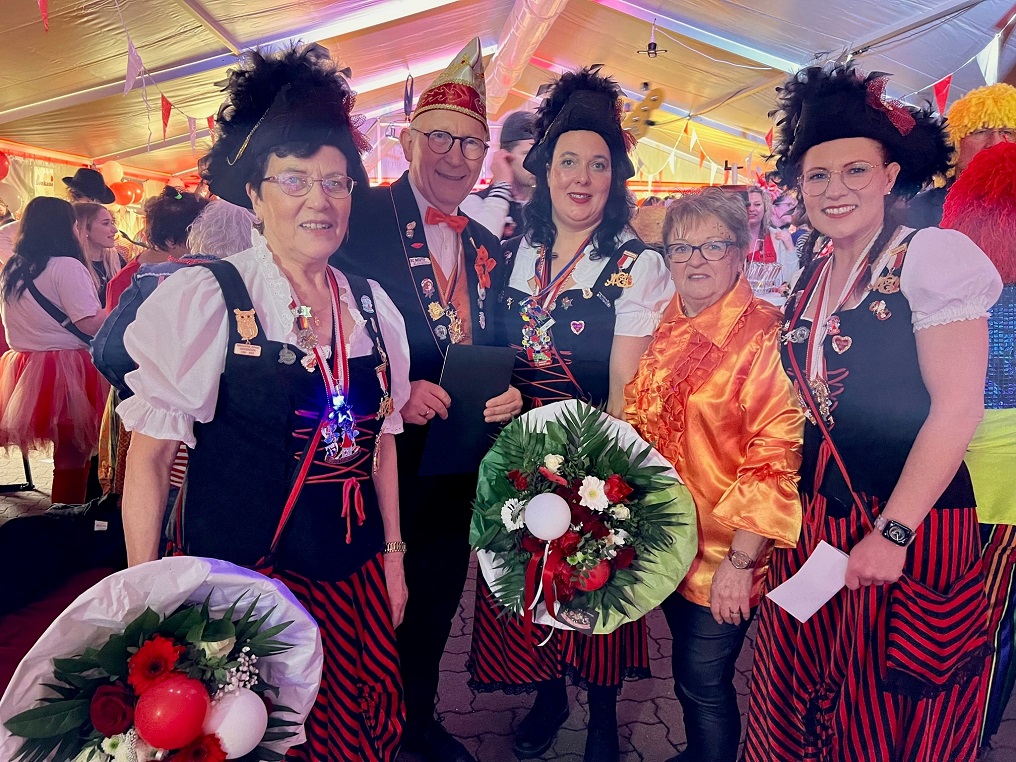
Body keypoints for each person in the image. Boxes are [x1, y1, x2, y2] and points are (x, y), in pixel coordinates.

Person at [118, 44, 410, 761]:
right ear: (254, 195)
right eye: (295, 180)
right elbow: (149, 463)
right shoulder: (208, 299)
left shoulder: (373, 307)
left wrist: (394, 557)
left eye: (336, 182)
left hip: (353, 586)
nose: (320, 201)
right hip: (244, 593)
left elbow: (381, 443)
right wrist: (146, 599)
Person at [743, 63, 1003, 762]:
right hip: (820, 524)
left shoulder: (930, 257)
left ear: (890, 176)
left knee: (884, 714)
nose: (836, 189)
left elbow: (957, 410)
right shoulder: (811, 272)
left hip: (912, 526)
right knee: (799, 693)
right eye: (818, 175)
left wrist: (892, 532)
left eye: (855, 170)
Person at [466, 67, 673, 762]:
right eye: (568, 162)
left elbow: (625, 389)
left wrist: (600, 478)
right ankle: (550, 695)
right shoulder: (512, 252)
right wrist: (499, 398)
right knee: (530, 585)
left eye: (598, 164)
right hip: (517, 452)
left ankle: (604, 719)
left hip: (595, 457)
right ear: (545, 170)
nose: (582, 177)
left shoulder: (636, 265)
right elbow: (496, 353)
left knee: (594, 585)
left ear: (615, 178)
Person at [332, 38, 521, 762]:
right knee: (371, 595)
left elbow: (500, 340)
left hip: (455, 457)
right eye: (439, 137)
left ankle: (416, 719)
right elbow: (322, 319)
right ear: (408, 141)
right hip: (372, 455)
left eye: (471, 144)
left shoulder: (486, 244)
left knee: (438, 592)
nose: (454, 156)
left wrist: (509, 392)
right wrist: (392, 390)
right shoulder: (358, 216)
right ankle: (362, 726)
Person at [624, 188, 803, 762]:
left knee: (704, 684)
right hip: (667, 542)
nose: (695, 260)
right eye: (681, 248)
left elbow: (775, 456)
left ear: (741, 251)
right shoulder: (666, 320)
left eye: (713, 246)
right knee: (687, 675)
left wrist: (740, 564)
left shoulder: (765, 334)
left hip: (725, 553)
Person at [939, 141, 1016, 753]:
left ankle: (961, 726)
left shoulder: (950, 286)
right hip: (984, 472)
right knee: (996, 617)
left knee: (965, 611)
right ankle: (975, 730)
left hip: (954, 467)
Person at [0, 197, 107, 504]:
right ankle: (66, 515)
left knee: (69, 449)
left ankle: (63, 513)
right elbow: (89, 324)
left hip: (25, 366)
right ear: (67, 226)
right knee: (73, 453)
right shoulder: (67, 266)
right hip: (69, 367)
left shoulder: (13, 267)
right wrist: (118, 307)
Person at [906, 82, 1016, 228]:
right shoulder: (915, 212)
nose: (995, 143)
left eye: (1007, 132)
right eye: (980, 132)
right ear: (955, 144)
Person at [104, 189, 208, 310]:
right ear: (170, 240)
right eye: (200, 236)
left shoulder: (200, 269)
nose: (207, 242)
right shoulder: (125, 282)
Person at [461, 110, 536, 239]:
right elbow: (482, 243)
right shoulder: (474, 202)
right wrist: (502, 186)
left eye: (539, 153)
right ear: (505, 156)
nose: (535, 161)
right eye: (527, 153)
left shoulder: (548, 204)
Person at [745, 185, 797, 306]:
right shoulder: (732, 239)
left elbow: (790, 279)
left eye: (757, 204)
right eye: (747, 205)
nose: (751, 209)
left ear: (765, 208)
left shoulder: (777, 238)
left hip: (772, 306)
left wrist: (790, 248)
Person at [73, 202, 124, 306]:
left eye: (112, 222)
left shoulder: (115, 260)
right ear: (85, 228)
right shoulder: (75, 265)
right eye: (105, 223)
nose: (115, 230)